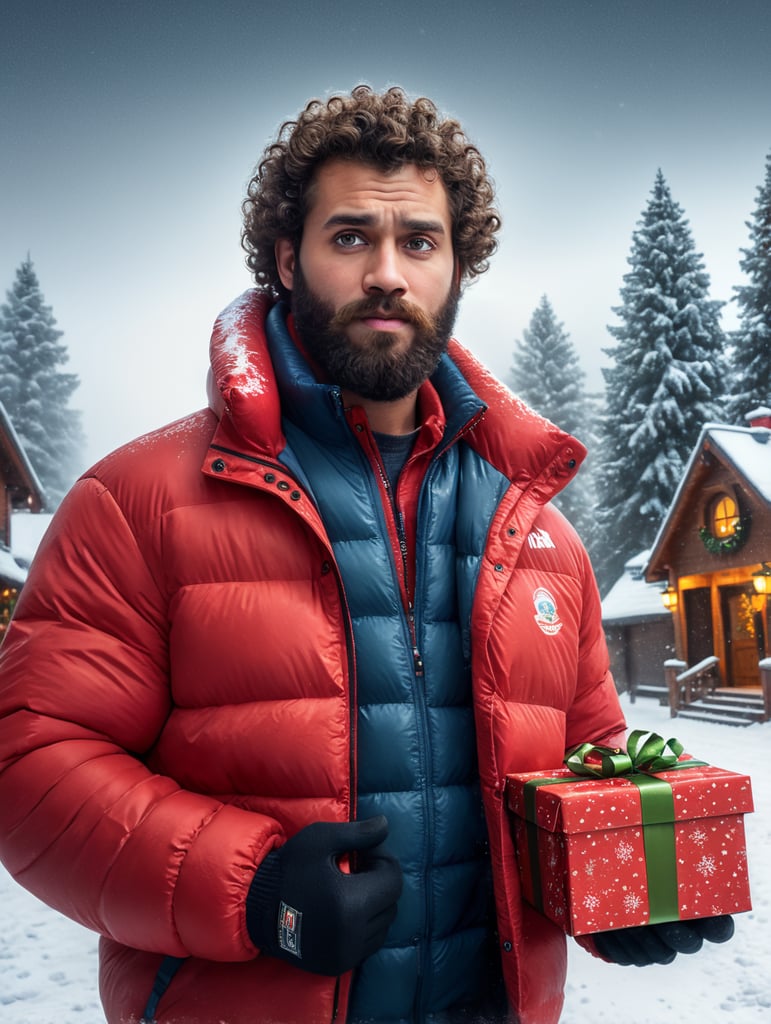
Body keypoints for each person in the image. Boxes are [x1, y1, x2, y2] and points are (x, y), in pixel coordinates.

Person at [0, 85, 733, 1024]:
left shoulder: (539, 530)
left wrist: (616, 881)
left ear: (457, 266)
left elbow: (584, 763)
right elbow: (32, 762)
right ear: (284, 257)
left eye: (419, 242)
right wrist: (254, 888)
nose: (387, 272)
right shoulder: (137, 503)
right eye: (350, 237)